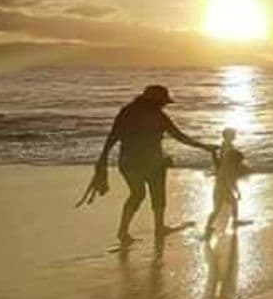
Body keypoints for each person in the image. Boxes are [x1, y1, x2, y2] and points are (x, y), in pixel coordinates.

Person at [93, 84, 218, 245]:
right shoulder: (159, 116)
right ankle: (157, 228)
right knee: (157, 195)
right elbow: (179, 136)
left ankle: (123, 232)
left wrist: (103, 158)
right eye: (163, 102)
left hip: (128, 161)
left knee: (137, 195)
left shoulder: (127, 112)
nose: (165, 104)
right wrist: (204, 147)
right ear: (156, 102)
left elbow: (113, 136)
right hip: (153, 162)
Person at [202, 127, 248, 241]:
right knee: (218, 209)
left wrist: (235, 190)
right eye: (233, 134)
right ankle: (208, 228)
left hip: (221, 185)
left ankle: (231, 222)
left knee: (222, 207)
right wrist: (233, 190)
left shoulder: (226, 151)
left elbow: (228, 176)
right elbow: (227, 179)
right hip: (222, 187)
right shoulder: (227, 150)